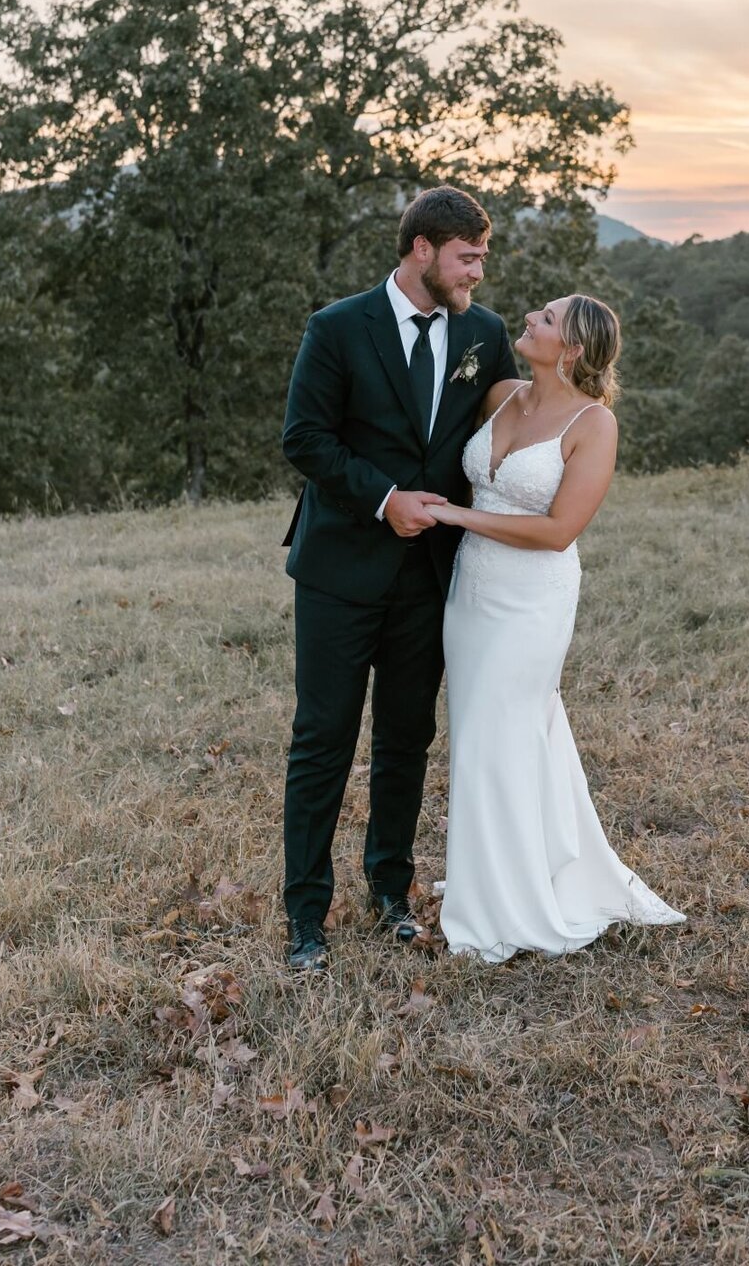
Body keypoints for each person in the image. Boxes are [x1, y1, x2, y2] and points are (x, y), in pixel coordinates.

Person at [279, 185, 515, 970]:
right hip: (341, 569)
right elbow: (304, 439)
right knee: (322, 741)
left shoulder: (485, 332)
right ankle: (306, 917)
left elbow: (506, 431)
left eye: (481, 256)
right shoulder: (339, 327)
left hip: (431, 577)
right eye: (467, 256)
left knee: (407, 739)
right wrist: (385, 501)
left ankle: (390, 891)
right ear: (423, 251)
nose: (479, 272)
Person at [430, 293, 684, 962]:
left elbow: (558, 530)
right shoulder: (503, 395)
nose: (531, 320)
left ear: (571, 349)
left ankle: (505, 905)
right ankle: (499, 872)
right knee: (484, 736)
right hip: (472, 595)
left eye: (546, 319)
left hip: (531, 600)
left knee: (498, 733)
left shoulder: (593, 424)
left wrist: (457, 520)